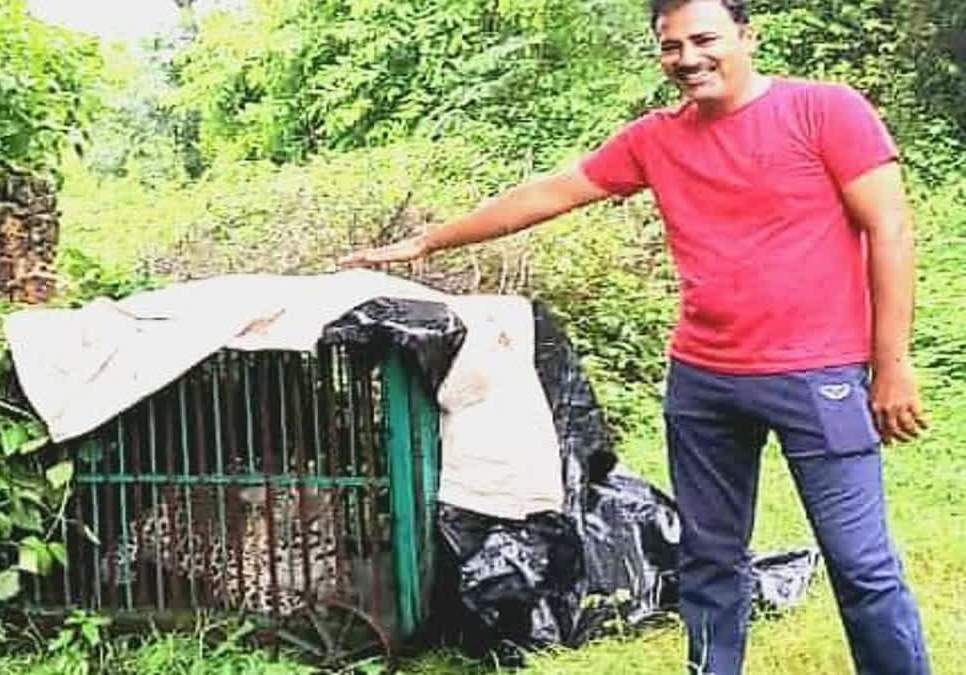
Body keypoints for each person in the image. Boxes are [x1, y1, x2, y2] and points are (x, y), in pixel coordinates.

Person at [338, 0, 931, 673]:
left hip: (817, 374)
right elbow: (549, 193)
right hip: (704, 382)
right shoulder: (656, 138)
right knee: (710, 560)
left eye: (705, 39)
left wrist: (892, 365)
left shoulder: (826, 110)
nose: (688, 58)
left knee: (861, 564)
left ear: (746, 36)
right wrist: (427, 240)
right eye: (671, 46)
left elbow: (890, 229)